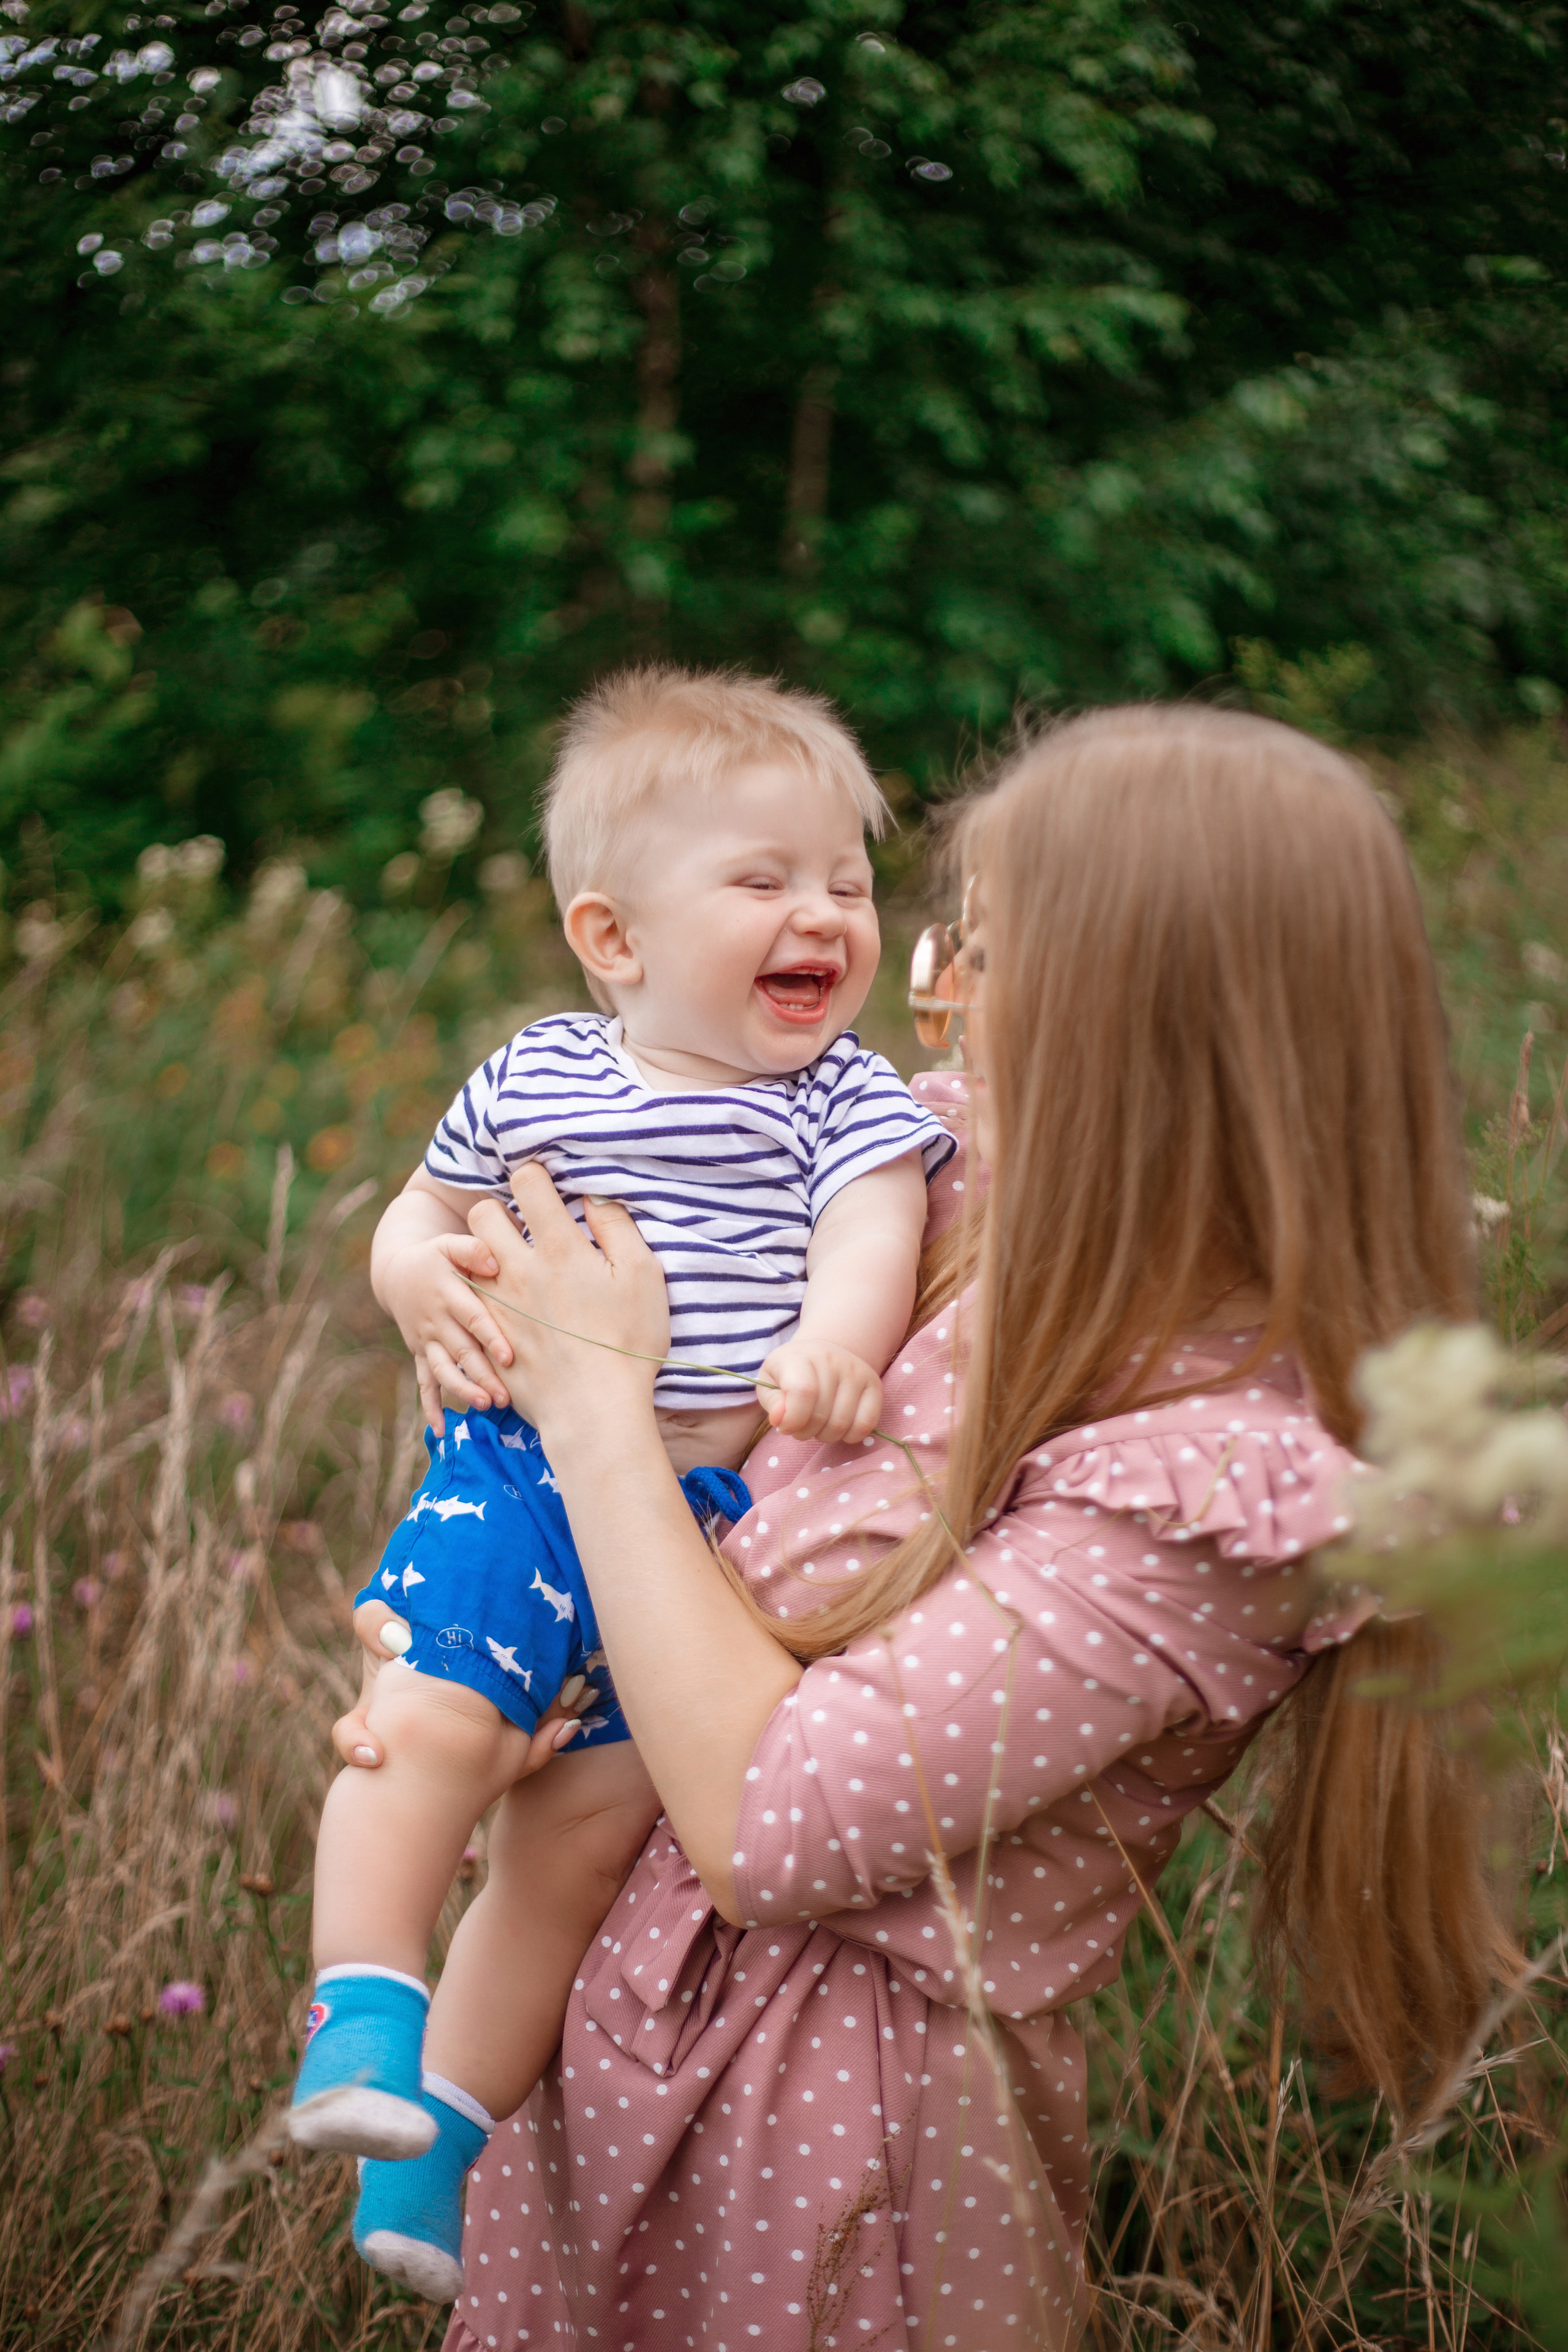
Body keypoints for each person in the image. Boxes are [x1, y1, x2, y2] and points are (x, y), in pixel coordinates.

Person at [337, 702, 1517, 2351]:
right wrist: (483, 1645)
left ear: (1138, 1013)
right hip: (591, 2059)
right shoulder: (942, 1181)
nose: (930, 988)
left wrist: (596, 1414)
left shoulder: (1214, 1485)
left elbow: (767, 1827)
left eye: (981, 951)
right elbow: (571, 1281)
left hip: (832, 2185)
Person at [289, 668, 956, 2301]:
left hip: (698, 1536)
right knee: (429, 1730)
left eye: (851, 886)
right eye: (765, 881)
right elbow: (414, 1214)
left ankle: (443, 2129)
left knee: (575, 1851)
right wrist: (409, 1286)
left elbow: (876, 1233)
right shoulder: (539, 1077)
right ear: (613, 939)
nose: (825, 915)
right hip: (520, 1478)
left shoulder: (847, 1100)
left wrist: (831, 1350)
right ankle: (360, 2005)